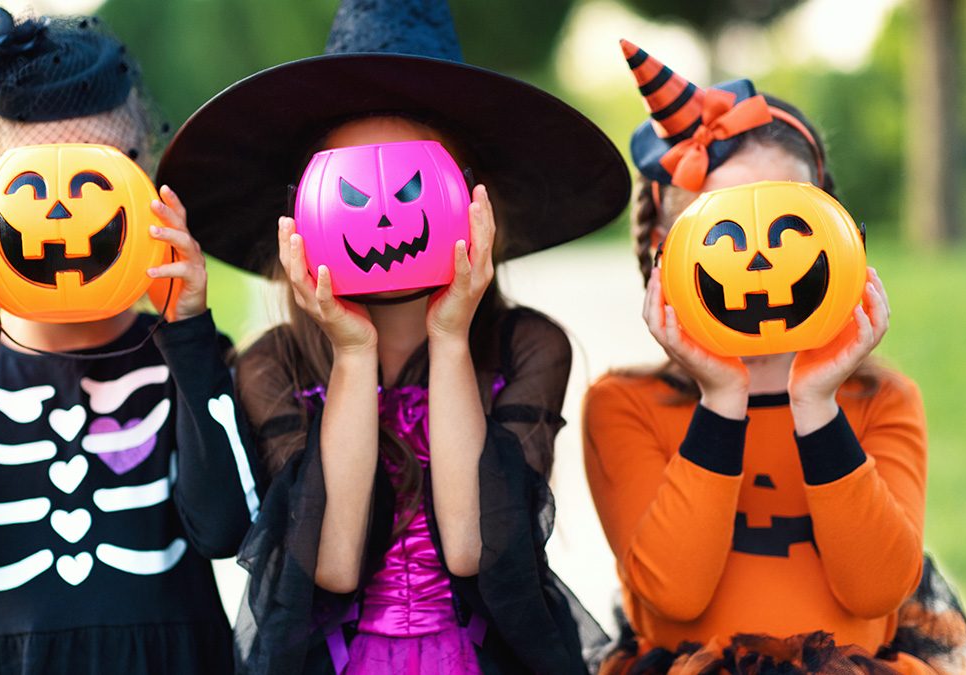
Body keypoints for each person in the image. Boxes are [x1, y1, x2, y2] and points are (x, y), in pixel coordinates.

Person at [156, 1, 630, 672]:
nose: (382, 213)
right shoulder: (275, 366)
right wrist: (351, 352)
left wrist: (452, 338)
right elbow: (333, 561)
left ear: (471, 198)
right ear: (306, 209)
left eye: (412, 185)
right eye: (349, 190)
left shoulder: (527, 345)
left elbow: (473, 547)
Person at [0, 9, 260, 673]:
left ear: (144, 190)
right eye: (29, 188)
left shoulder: (186, 357)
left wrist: (188, 334)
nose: (62, 214)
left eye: (93, 182)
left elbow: (228, 529)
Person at [582, 40, 966, 674]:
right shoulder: (625, 404)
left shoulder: (881, 401)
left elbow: (878, 588)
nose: (756, 261)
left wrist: (816, 405)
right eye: (721, 233)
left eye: (787, 224)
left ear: (835, 231)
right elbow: (675, 594)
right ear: (665, 250)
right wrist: (720, 400)